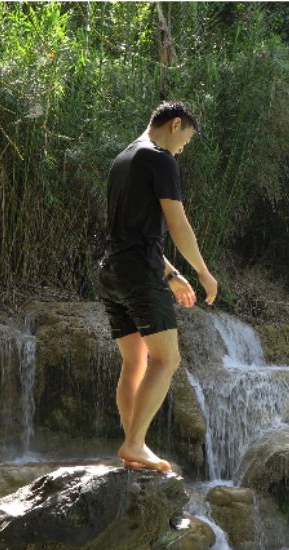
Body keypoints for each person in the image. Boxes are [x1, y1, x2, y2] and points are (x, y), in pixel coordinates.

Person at [94, 101, 218, 473]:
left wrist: (171, 273)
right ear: (175, 124)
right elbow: (177, 224)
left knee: (135, 361)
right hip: (137, 276)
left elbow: (131, 233)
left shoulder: (124, 159)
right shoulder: (161, 158)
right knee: (166, 360)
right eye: (186, 140)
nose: (183, 148)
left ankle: (134, 443)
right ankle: (134, 443)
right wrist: (203, 272)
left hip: (112, 271)